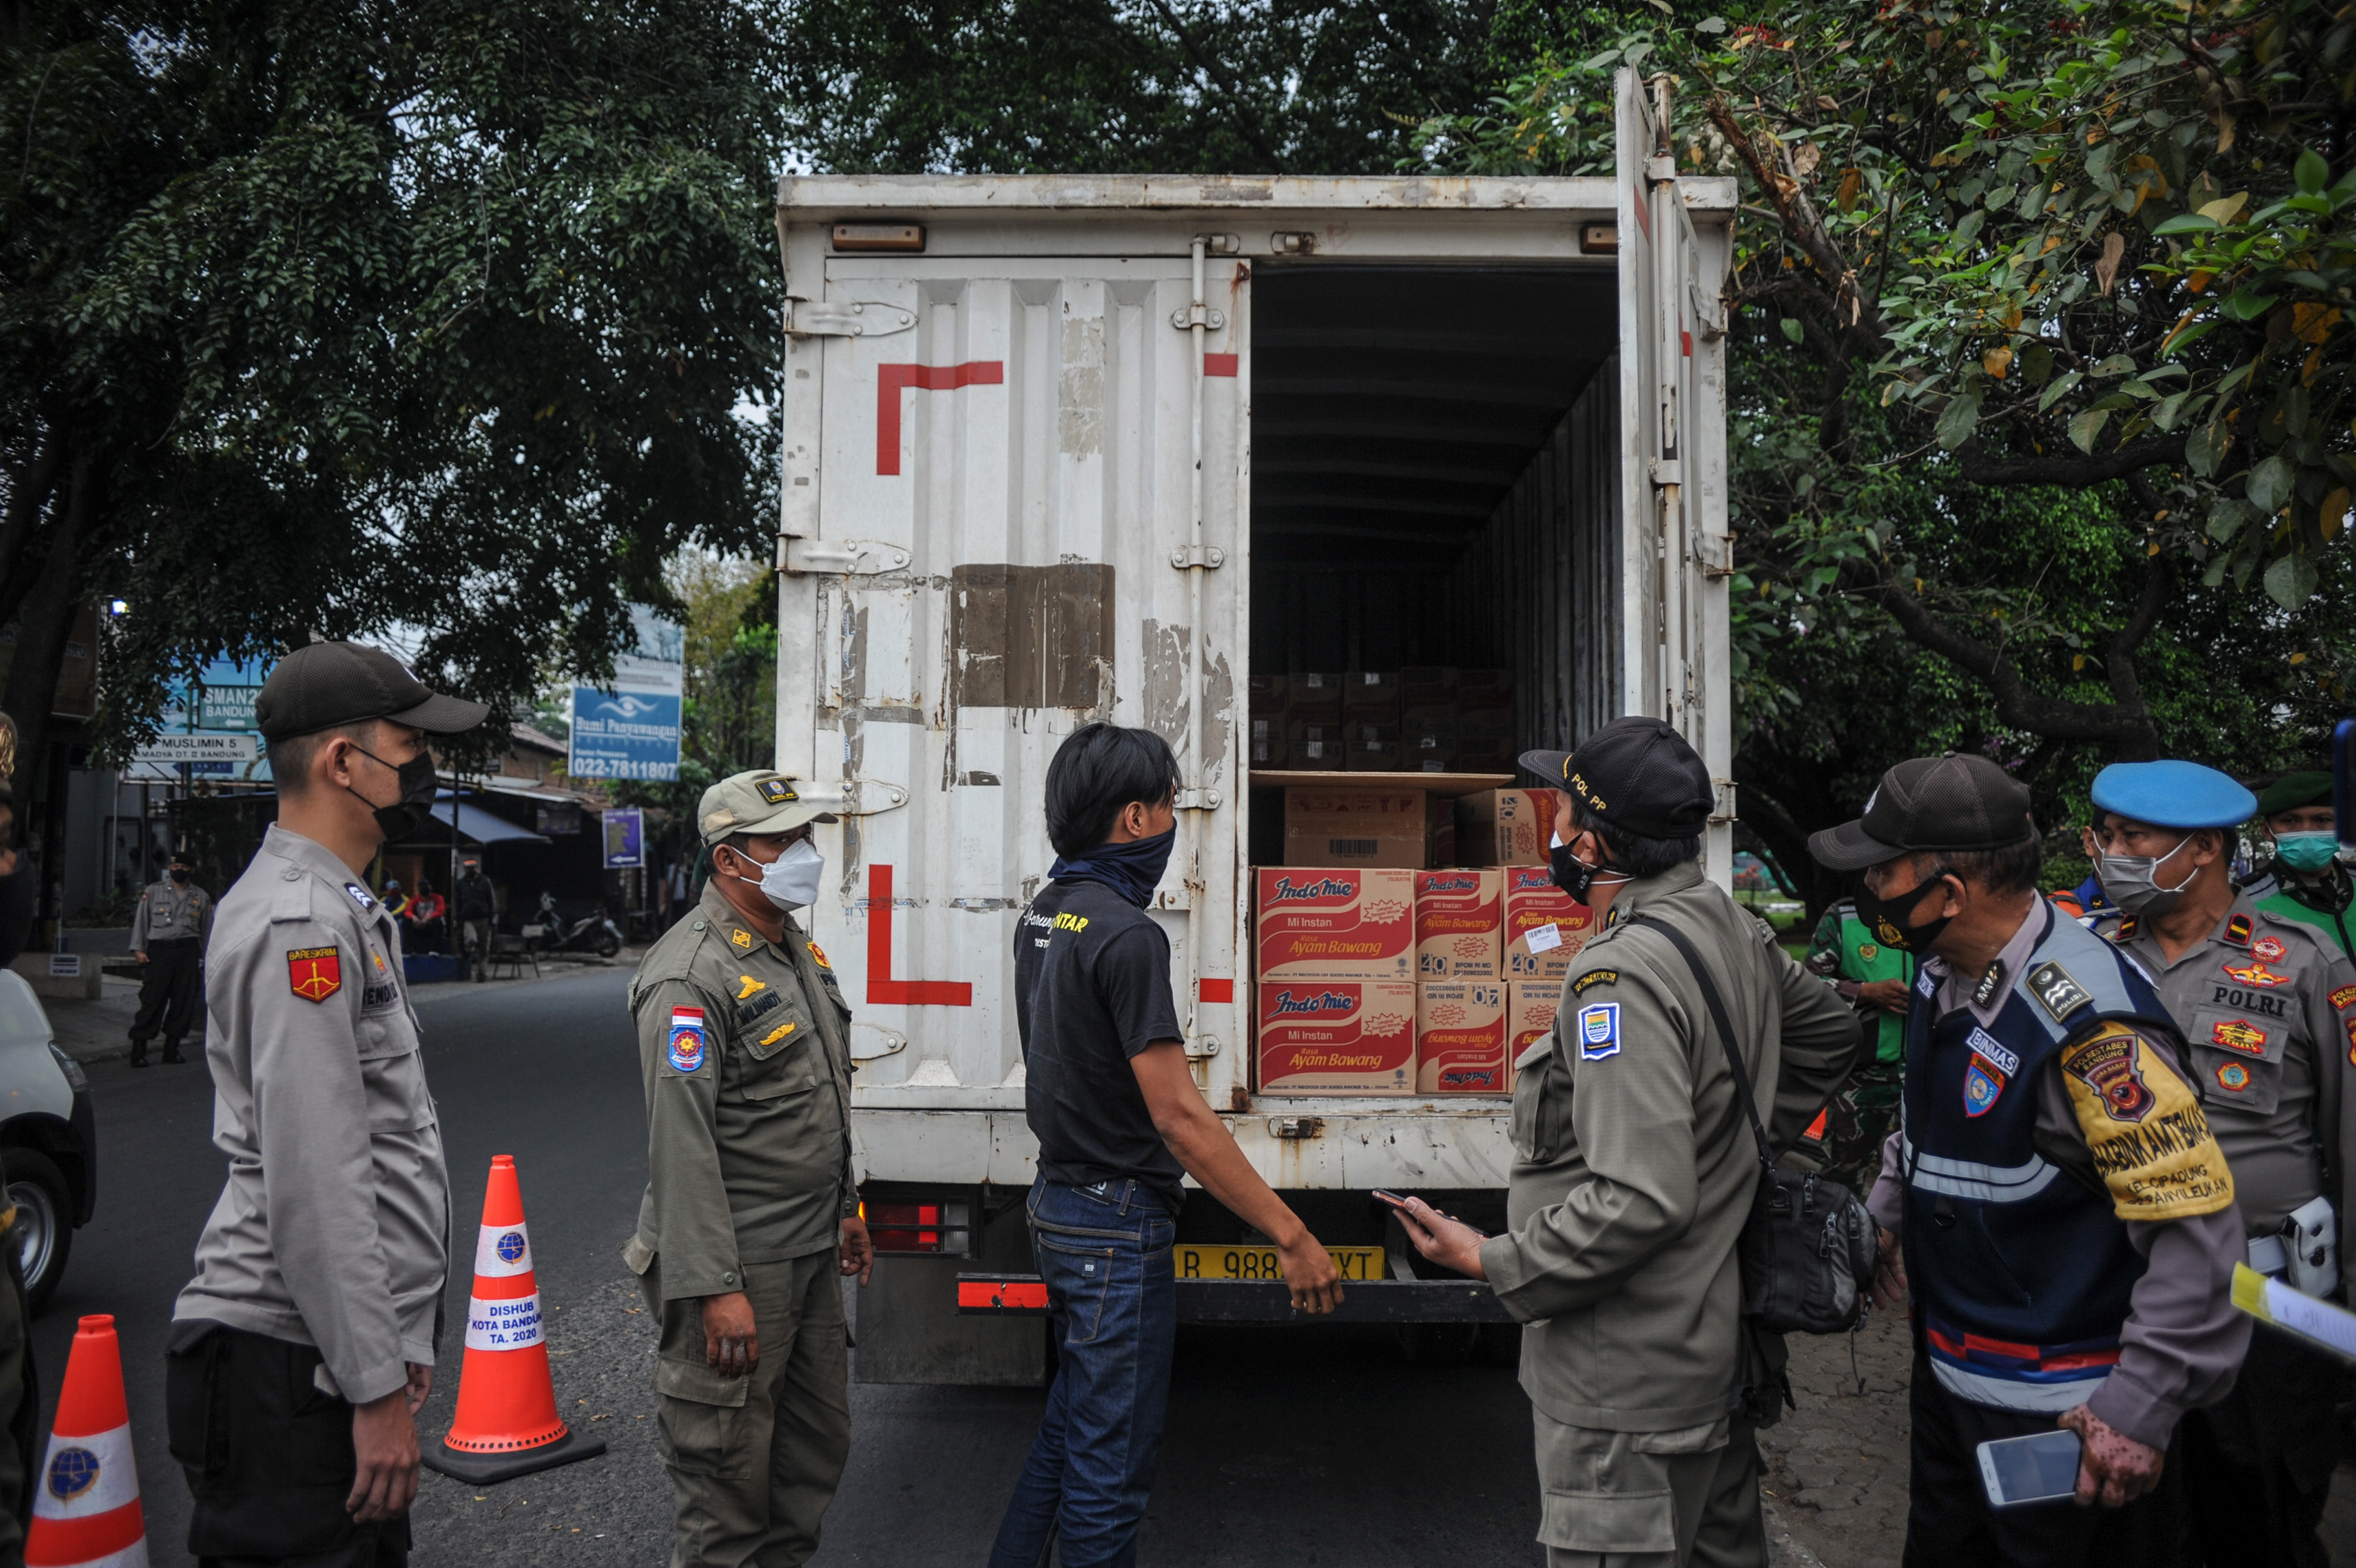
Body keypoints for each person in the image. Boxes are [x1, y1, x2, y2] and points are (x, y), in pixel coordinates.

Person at [1394, 717, 1859, 1568]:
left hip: (1628, 1390)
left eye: (1562, 811)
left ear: (1595, 840)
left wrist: (1489, 1260)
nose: (1553, 830)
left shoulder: (1622, 973)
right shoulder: (1728, 924)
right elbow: (1830, 1033)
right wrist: (1733, 1143)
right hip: (1713, 1359)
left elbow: (1639, 1197)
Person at [1808, 753, 2247, 1566]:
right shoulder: (1947, 977)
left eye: (1884, 870)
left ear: (1950, 892)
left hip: (2071, 1422)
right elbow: (1930, 1132)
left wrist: (2139, 1407)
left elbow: (2196, 1235)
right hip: (1952, 1387)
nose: (1869, 889)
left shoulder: (2092, 1030)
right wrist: (1884, 1224)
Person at [991, 723, 1344, 1568]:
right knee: (1109, 1477)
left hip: (1060, 1201)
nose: (1174, 823)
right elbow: (1179, 1117)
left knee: (1070, 1432)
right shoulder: (1127, 934)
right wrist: (1291, 1234)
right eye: (1170, 807)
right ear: (1138, 816)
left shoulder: (1045, 914)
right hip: (1114, 1227)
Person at [166, 640, 486, 1566]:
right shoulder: (298, 921)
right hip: (281, 1366)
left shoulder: (343, 909)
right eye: (408, 742)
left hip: (319, 1357)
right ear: (342, 762)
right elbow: (319, 1172)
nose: (424, 764)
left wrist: (391, 1342)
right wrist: (375, 1385)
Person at [2083, 759, 2356, 1568]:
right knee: (2127, 1523)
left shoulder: (2307, 963)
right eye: (2108, 833)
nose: (2111, 849)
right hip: (2117, 1288)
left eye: (2133, 835)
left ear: (2202, 848)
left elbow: (2351, 1144)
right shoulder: (2089, 959)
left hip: (2268, 1299)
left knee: (2262, 1515)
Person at [624, 769, 872, 1568]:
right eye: (785, 839)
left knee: (806, 1468)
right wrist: (713, 1287)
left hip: (804, 1255)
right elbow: (680, 1144)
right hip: (739, 1267)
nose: (806, 852)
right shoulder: (689, 974)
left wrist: (846, 1206)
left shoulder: (790, 945)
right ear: (732, 860)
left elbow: (819, 1089)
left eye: (807, 835)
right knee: (727, 1492)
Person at [1804, 888, 1917, 1193]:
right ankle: (1841, 1238)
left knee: (1921, 1175)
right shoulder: (1844, 917)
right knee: (1843, 1175)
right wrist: (1865, 992)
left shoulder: (1929, 912)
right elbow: (1806, 985)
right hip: (1861, 1077)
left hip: (1924, 1074)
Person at [2240, 770, 2351, 961]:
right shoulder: (2244, 901)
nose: (2307, 831)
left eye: (2322, 820)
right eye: (2290, 821)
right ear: (2267, 831)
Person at [128, 848, 211, 1067]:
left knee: (183, 1003)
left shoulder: (200, 897)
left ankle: (171, 1050)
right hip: (160, 952)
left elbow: (207, 931)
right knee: (152, 1000)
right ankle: (138, 1050)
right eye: (174, 867)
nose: (178, 870)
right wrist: (138, 949)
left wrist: (207, 958)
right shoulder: (154, 892)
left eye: (182, 867)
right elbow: (142, 921)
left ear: (191, 869)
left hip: (188, 952)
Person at [453, 858, 495, 981]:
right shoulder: (460, 884)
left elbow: (490, 900)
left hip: (483, 918)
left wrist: (492, 917)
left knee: (483, 947)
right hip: (467, 918)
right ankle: (469, 952)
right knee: (471, 939)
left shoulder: (484, 882)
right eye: (467, 869)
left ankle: (481, 973)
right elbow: (457, 902)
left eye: (471, 868)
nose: (469, 871)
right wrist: (457, 918)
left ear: (475, 869)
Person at [403, 877, 445, 954]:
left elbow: (440, 911)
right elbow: (408, 911)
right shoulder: (415, 900)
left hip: (432, 926)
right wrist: (414, 918)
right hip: (420, 926)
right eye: (421, 886)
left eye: (426, 886)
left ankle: (435, 950)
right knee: (406, 922)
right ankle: (409, 949)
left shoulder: (438, 898)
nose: (423, 888)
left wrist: (427, 919)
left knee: (438, 922)